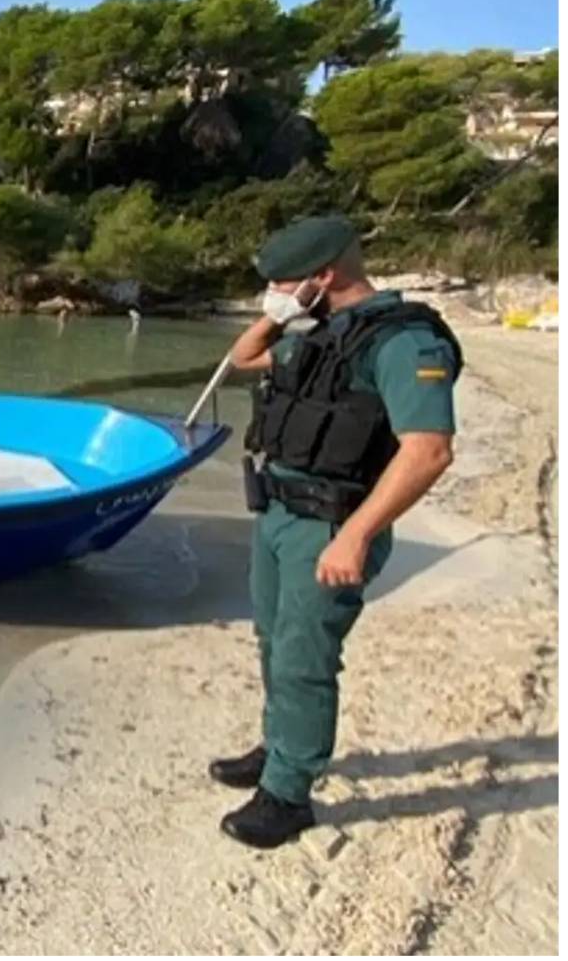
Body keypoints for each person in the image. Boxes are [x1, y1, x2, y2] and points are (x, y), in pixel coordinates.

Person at [214, 215, 463, 849]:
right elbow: (243, 358)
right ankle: (278, 748)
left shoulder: (403, 342)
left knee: (305, 658)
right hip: (279, 511)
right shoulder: (324, 331)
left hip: (331, 524)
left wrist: (356, 535)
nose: (272, 290)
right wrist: (282, 311)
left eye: (283, 280)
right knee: (274, 641)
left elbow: (429, 451)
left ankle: (288, 795)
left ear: (324, 275)